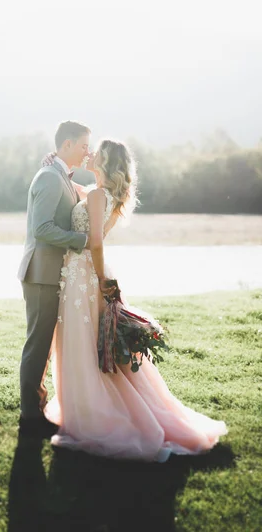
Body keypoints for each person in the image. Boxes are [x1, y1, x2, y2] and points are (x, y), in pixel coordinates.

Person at [44, 138, 228, 462]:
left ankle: (100, 416)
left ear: (104, 161)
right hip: (84, 276)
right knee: (93, 346)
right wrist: (60, 170)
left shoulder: (99, 195)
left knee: (88, 346)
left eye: (95, 151)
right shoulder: (101, 194)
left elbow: (96, 243)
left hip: (87, 278)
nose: (89, 153)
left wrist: (102, 282)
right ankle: (88, 409)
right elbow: (81, 201)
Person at [17, 121, 92, 437]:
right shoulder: (49, 176)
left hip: (52, 274)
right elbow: (42, 228)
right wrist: (81, 240)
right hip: (40, 273)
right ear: (68, 145)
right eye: (84, 145)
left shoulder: (60, 174)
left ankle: (38, 406)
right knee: (38, 343)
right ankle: (30, 416)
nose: (88, 151)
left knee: (45, 344)